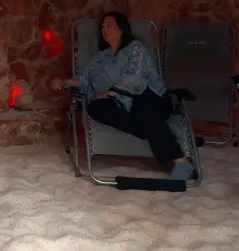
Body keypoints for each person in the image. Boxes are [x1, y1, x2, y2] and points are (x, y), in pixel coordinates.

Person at [51, 10, 194, 181]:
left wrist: (113, 92)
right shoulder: (100, 58)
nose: (105, 29)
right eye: (102, 26)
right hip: (121, 105)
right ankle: (157, 130)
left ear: (121, 29)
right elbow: (84, 78)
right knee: (95, 106)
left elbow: (135, 76)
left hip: (149, 97)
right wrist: (64, 82)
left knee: (143, 109)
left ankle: (182, 162)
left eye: (109, 25)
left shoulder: (135, 48)